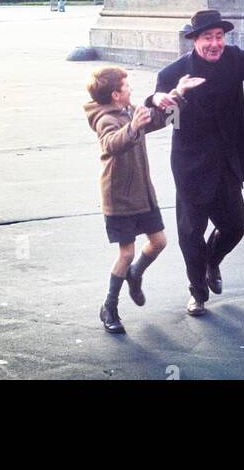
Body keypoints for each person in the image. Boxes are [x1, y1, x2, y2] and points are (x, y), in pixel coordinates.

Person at [147, 9, 244, 316]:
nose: (214, 43)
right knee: (190, 234)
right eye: (207, 37)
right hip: (191, 167)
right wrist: (169, 98)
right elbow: (165, 116)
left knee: (235, 226)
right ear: (194, 40)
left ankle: (212, 259)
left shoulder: (233, 59)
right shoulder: (173, 73)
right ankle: (197, 293)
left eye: (219, 36)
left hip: (227, 163)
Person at [84, 66, 177, 334]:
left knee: (159, 242)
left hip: (142, 191)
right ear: (115, 94)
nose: (131, 89)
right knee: (127, 252)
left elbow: (158, 121)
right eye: (127, 86)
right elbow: (111, 143)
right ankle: (109, 307)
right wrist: (133, 127)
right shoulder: (105, 119)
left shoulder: (127, 110)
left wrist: (178, 96)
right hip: (119, 196)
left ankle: (135, 274)